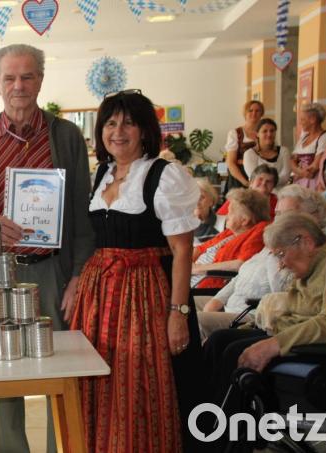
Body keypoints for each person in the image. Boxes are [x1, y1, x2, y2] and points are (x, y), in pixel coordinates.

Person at [0, 44, 95, 453]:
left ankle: (61, 447)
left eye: (28, 76)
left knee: (60, 366)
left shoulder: (66, 136)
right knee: (3, 371)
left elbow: (82, 213)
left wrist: (77, 275)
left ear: (40, 80)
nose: (19, 86)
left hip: (53, 270)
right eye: (10, 78)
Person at [69, 90, 203, 453]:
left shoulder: (163, 175)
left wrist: (178, 314)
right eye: (111, 123)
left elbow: (182, 250)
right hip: (100, 300)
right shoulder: (103, 174)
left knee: (139, 383)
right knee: (101, 381)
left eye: (128, 122)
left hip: (144, 298)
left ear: (145, 130)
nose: (118, 130)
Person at [204, 212, 326, 419]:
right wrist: (245, 330)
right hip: (293, 337)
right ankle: (203, 426)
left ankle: (223, 437)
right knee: (219, 340)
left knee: (235, 352)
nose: (280, 264)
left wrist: (273, 345)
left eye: (281, 254)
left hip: (318, 350)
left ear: (306, 242)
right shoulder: (309, 269)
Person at [196, 186, 326, 341]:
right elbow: (242, 274)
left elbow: (285, 292)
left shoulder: (304, 249)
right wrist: (216, 300)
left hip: (251, 311)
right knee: (180, 309)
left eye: (286, 214)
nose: (278, 220)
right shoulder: (274, 242)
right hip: (233, 302)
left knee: (193, 321)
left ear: (312, 217)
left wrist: (276, 256)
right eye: (277, 214)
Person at [192, 188, 271, 289]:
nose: (226, 215)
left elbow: (241, 264)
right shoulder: (231, 231)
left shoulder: (258, 232)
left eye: (231, 212)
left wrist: (199, 268)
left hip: (207, 288)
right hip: (193, 279)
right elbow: (200, 248)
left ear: (244, 220)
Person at [223, 100, 264, 193]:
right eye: (250, 110)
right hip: (239, 180)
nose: (254, 113)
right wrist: (245, 183)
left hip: (260, 179)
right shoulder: (235, 133)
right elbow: (231, 163)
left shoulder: (265, 133)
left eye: (258, 111)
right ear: (245, 113)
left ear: (262, 114)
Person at [242, 118, 291, 189]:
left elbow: (285, 176)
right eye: (265, 131)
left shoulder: (284, 151)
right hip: (258, 195)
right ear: (257, 134)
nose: (269, 134)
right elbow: (255, 178)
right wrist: (271, 182)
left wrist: (267, 182)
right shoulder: (249, 154)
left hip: (281, 195)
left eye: (272, 131)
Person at [290, 102, 326, 189]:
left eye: (302, 119)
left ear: (313, 119)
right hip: (298, 180)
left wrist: (297, 172)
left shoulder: (325, 136)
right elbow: (292, 160)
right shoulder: (304, 136)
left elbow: (315, 166)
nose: (300, 123)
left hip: (313, 183)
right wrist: (300, 173)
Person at [193, 177, 219, 243]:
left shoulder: (225, 224)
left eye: (202, 197)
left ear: (211, 201)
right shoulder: (181, 227)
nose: (197, 202)